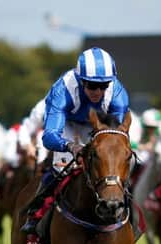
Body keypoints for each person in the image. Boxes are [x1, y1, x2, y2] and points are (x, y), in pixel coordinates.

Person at [20, 47, 130, 234]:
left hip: (97, 126)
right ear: (80, 81)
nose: (97, 91)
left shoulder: (118, 95)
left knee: (117, 164)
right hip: (67, 126)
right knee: (60, 167)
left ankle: (131, 219)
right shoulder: (62, 90)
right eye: (91, 85)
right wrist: (70, 146)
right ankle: (36, 212)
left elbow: (117, 136)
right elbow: (50, 136)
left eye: (103, 86)